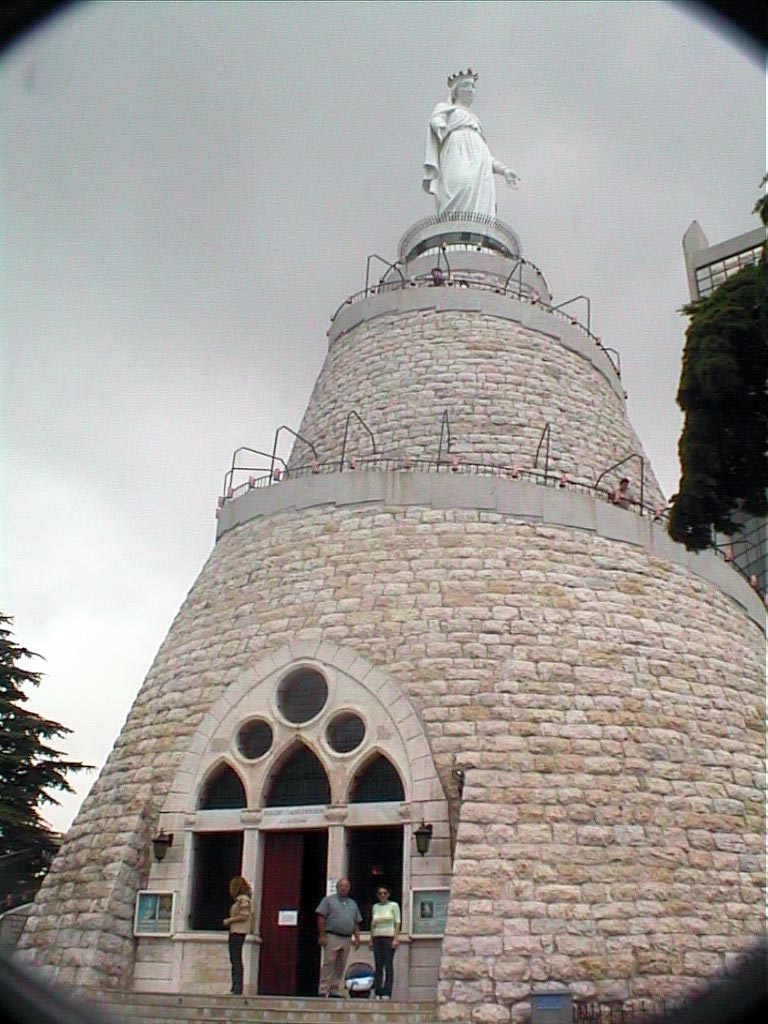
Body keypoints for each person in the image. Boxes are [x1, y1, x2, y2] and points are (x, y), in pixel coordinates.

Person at [423, 68, 519, 218]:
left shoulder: (475, 121)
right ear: (456, 90)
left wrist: (505, 170)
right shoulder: (446, 109)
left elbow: (488, 157)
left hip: (480, 158)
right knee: (462, 184)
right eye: (466, 85)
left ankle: (476, 228)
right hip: (456, 150)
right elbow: (436, 120)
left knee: (479, 194)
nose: (470, 90)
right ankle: (452, 222)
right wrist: (439, 127)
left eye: (473, 86)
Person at [315, 878, 362, 998]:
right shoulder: (328, 901)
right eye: (342, 886)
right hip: (332, 936)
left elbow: (356, 922)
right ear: (337, 887)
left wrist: (357, 938)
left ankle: (335, 989)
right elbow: (321, 917)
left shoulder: (353, 904)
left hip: (346, 938)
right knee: (329, 963)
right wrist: (322, 935)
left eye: (346, 886)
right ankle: (323, 989)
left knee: (340, 964)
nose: (344, 888)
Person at [369, 884, 401, 1001]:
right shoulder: (375, 906)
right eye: (380, 893)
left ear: (388, 894)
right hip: (377, 937)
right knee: (378, 965)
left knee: (388, 965)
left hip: (389, 937)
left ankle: (387, 992)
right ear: (377, 895)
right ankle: (378, 991)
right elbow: (373, 923)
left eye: (385, 893)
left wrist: (396, 938)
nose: (383, 895)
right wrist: (371, 938)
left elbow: (397, 922)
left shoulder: (394, 905)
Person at [222, 876, 252, 995]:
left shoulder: (243, 900)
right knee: (234, 959)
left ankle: (237, 988)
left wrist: (229, 920)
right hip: (235, 931)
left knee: (236, 959)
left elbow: (245, 916)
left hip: (238, 931)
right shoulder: (241, 899)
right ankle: (235, 987)